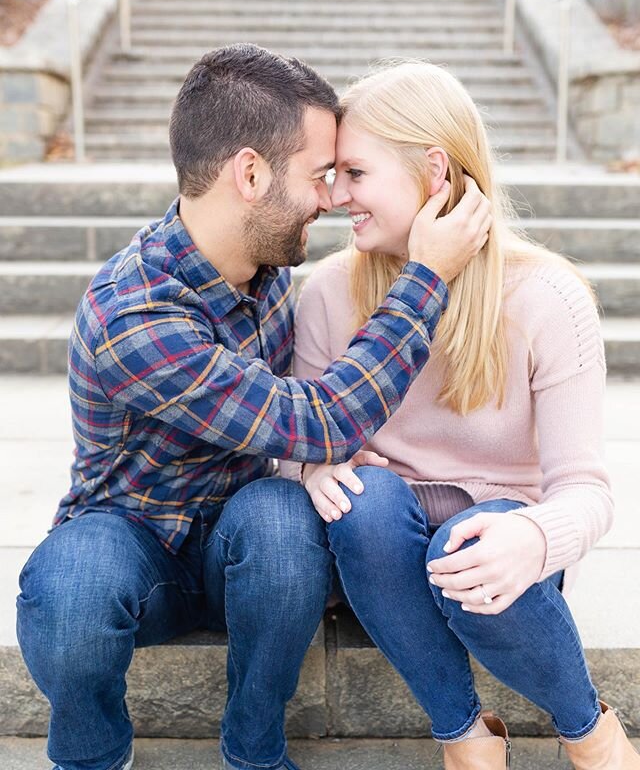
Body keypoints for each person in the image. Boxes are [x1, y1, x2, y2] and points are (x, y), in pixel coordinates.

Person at [15, 44, 491, 770]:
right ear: (250, 174)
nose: (332, 198)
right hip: (131, 540)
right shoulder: (136, 315)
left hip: (248, 544)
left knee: (280, 519)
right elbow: (321, 419)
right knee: (70, 589)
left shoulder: (266, 267)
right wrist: (425, 276)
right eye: (318, 175)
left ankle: (255, 750)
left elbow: (306, 433)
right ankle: (90, 756)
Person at [280, 60, 640, 770]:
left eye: (355, 174)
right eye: (333, 176)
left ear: (434, 171)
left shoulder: (548, 298)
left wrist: (535, 537)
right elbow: (291, 434)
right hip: (380, 555)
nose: (334, 197)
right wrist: (312, 462)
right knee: (363, 501)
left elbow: (587, 491)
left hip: (501, 557)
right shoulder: (328, 291)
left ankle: (588, 731)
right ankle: (466, 736)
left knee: (467, 547)